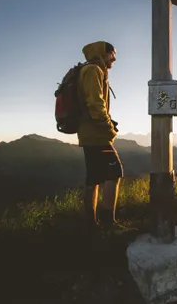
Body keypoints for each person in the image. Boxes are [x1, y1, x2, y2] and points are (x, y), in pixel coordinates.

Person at [77, 40, 123, 229]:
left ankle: (90, 222)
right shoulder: (94, 71)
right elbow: (96, 105)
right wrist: (109, 129)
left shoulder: (88, 70)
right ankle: (108, 222)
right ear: (103, 54)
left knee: (94, 177)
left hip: (88, 132)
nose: (114, 59)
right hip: (96, 133)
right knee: (115, 172)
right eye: (112, 55)